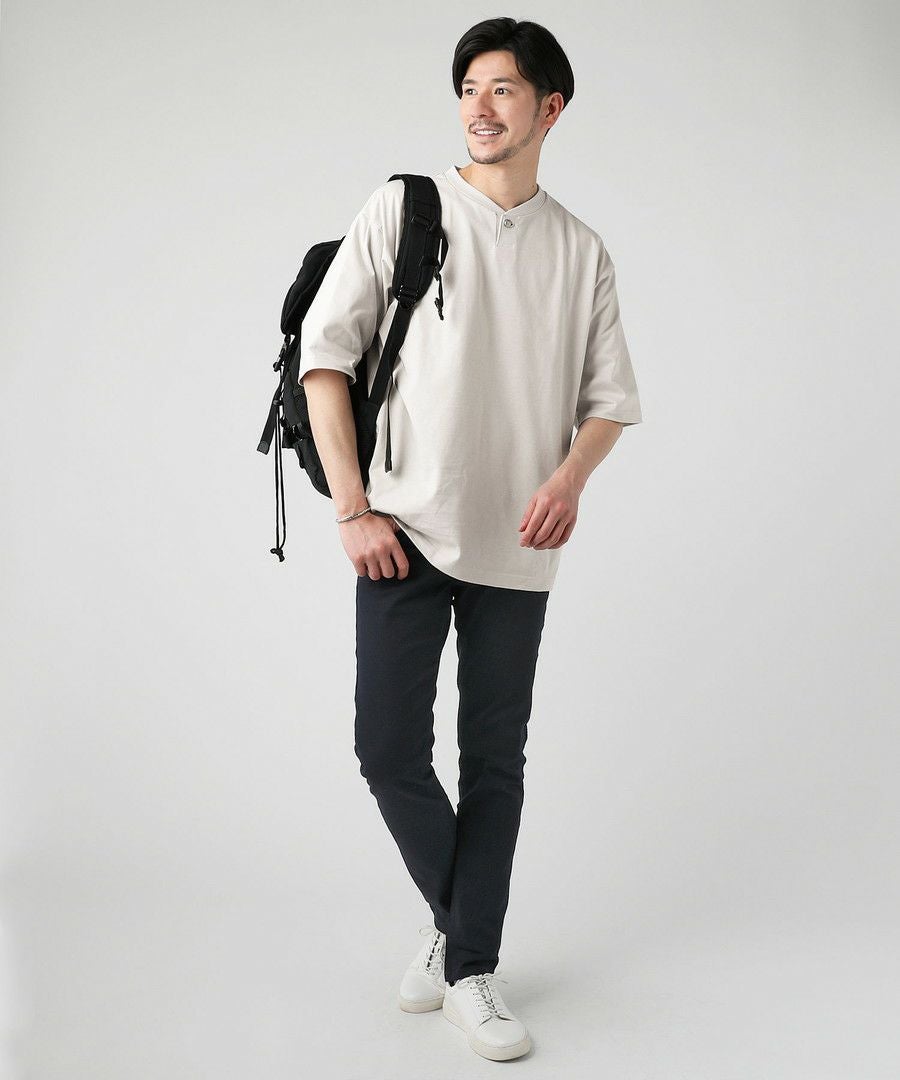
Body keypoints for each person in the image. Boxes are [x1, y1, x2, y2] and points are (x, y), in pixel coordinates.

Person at [297, 16, 642, 1062]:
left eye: (503, 89)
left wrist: (570, 481)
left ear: (550, 108)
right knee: (387, 749)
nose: (479, 107)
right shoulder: (406, 210)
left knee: (495, 760)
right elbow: (324, 357)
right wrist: (352, 508)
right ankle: (464, 936)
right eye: (468, 88)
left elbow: (609, 400)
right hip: (400, 529)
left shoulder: (580, 251)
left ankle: (468, 968)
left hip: (519, 545)